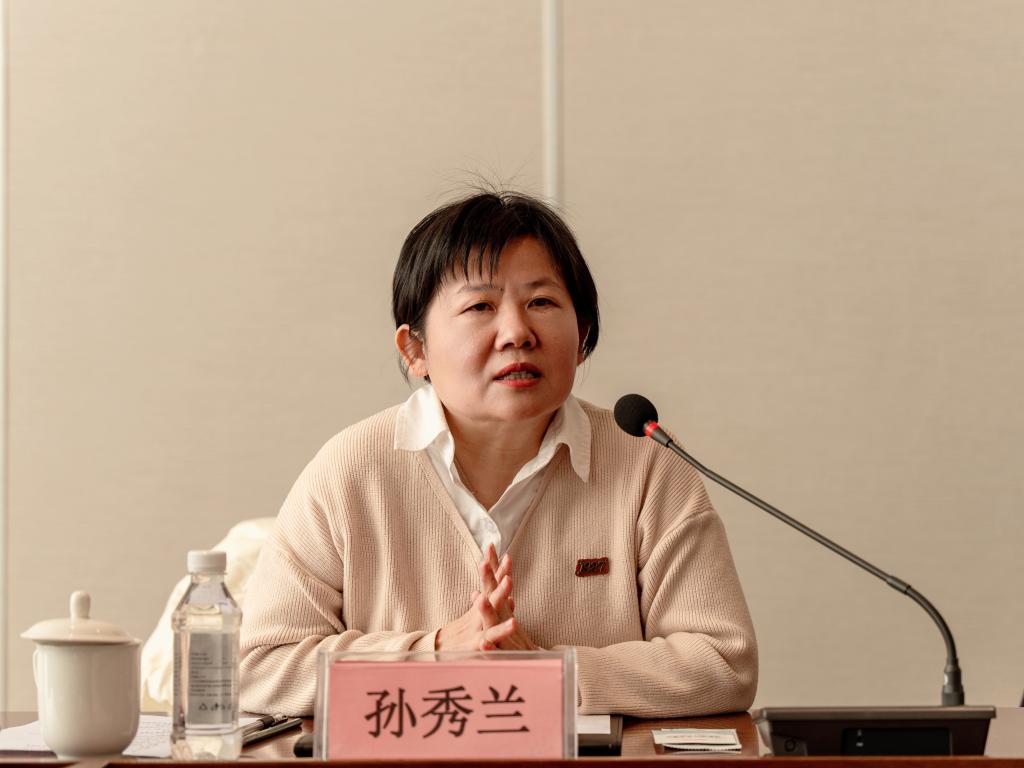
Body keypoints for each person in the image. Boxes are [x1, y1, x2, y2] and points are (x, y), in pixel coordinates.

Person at [239, 190, 757, 718]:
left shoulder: (646, 464)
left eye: (541, 303)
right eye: (480, 307)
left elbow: (723, 661)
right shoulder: (350, 470)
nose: (516, 333)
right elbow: (259, 667)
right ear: (415, 350)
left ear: (581, 336)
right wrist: (434, 653)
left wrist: (554, 673)